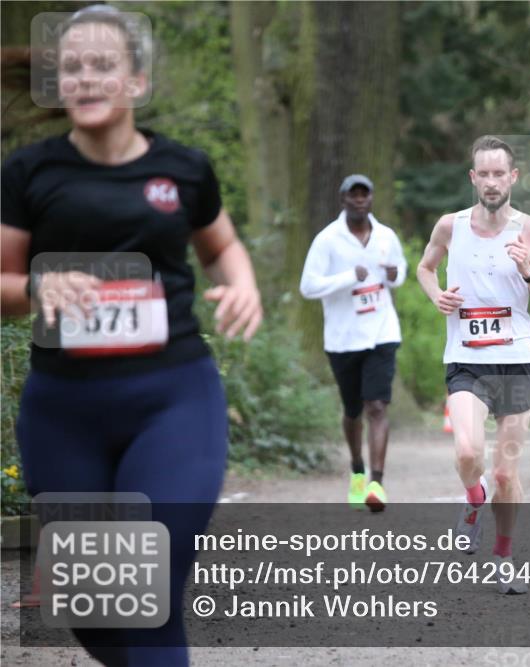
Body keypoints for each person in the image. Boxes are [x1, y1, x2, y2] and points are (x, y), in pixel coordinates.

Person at [0, 5, 262, 665]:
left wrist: (243, 284)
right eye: (71, 68)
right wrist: (33, 288)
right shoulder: (30, 174)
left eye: (102, 65)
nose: (85, 79)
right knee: (99, 610)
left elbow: (222, 245)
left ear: (136, 82)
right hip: (64, 410)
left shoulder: (184, 170)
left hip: (173, 397)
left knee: (148, 577)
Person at [416, 135, 530, 594]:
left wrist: (528, 272)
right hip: (467, 361)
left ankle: (503, 557)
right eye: (485, 174)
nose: (493, 182)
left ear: (513, 178)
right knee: (466, 454)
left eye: (501, 174)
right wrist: (437, 295)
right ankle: (472, 500)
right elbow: (425, 268)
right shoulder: (449, 226)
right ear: (473, 178)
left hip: (517, 361)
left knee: (505, 473)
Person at [300, 174, 406, 512]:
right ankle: (357, 470)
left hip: (382, 331)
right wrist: (349, 277)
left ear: (372, 198)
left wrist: (394, 275)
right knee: (353, 410)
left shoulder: (386, 236)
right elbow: (308, 286)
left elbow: (400, 270)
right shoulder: (327, 240)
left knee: (377, 406)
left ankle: (377, 483)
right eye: (353, 195)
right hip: (343, 338)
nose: (360, 200)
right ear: (343, 199)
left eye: (365, 195)